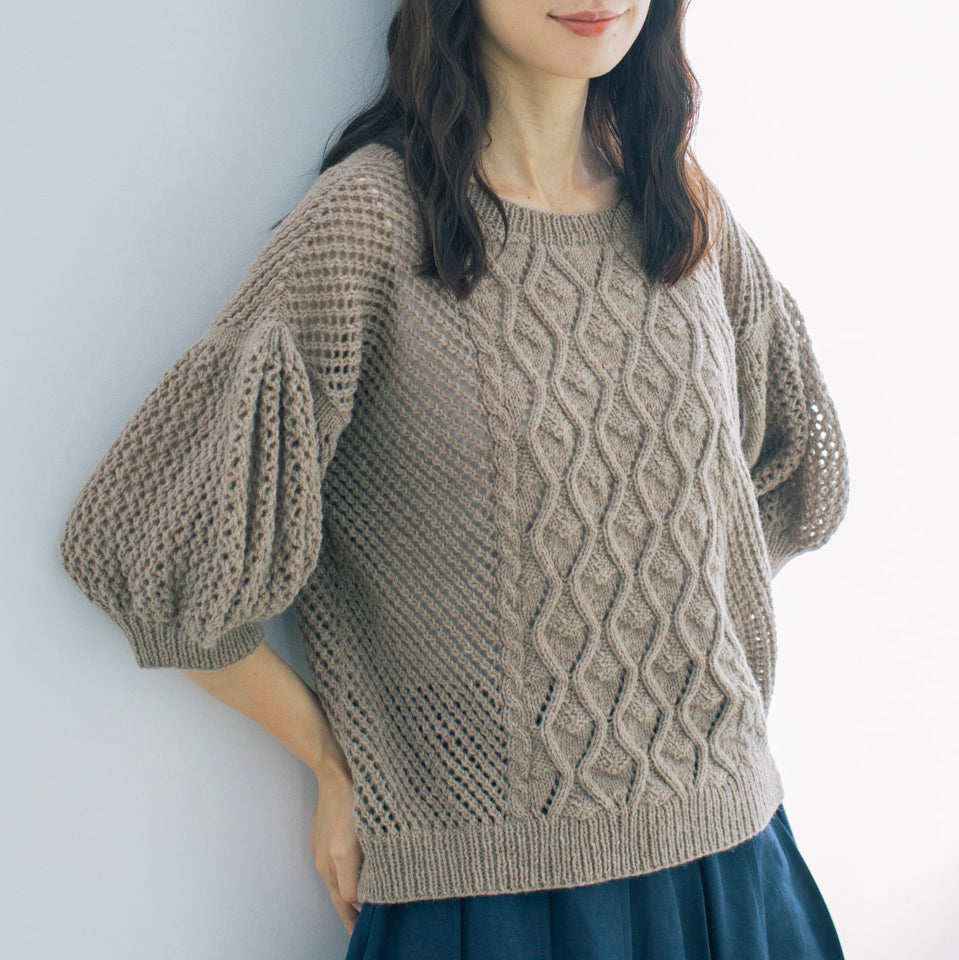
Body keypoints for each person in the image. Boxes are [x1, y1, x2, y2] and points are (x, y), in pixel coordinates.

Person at [58, 1, 852, 957]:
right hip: (492, 895)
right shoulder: (372, 223)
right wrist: (335, 763)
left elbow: (794, 471)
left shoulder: (678, 205)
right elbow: (143, 545)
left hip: (734, 863)